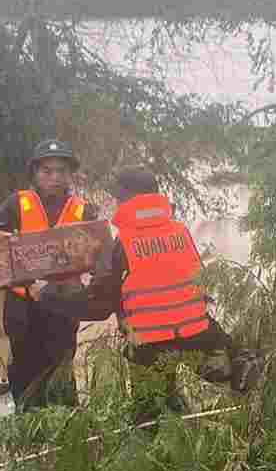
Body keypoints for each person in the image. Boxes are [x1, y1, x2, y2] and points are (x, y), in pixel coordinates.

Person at [29, 166, 258, 418]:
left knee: (152, 415)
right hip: (199, 334)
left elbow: (98, 306)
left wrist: (47, 294)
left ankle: (162, 423)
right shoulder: (181, 233)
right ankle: (243, 410)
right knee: (231, 387)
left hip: (149, 346)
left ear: (125, 199)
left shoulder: (122, 243)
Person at [0, 140, 99, 409]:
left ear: (70, 174)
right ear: (34, 173)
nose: (55, 177)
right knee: (24, 372)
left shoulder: (84, 209)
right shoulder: (17, 204)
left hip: (64, 305)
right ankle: (28, 427)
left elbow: (99, 256)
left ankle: (66, 428)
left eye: (61, 171)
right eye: (47, 171)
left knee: (61, 370)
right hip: (23, 307)